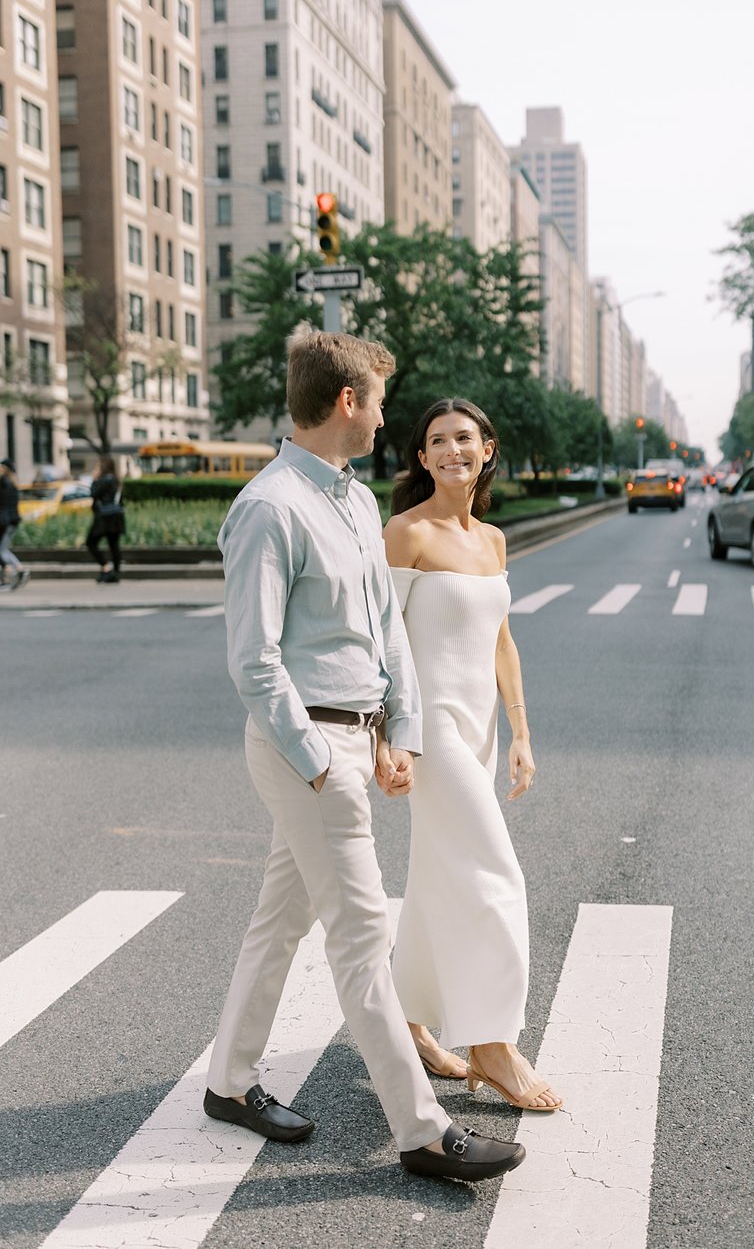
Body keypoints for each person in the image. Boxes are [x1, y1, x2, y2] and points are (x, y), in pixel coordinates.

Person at [203, 326, 526, 1184]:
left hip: (354, 736)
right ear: (348, 402)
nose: (387, 419)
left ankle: (230, 1082)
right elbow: (253, 660)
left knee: (281, 921)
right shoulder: (270, 507)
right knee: (359, 939)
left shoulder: (347, 498)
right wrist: (318, 760)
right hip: (302, 746)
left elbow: (385, 629)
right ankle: (423, 1133)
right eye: (380, 402)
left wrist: (397, 733)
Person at [383, 397, 563, 1113]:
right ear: (422, 459)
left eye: (465, 437)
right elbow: (382, 641)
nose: (452, 449)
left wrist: (521, 732)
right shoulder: (406, 532)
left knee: (435, 876)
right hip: (430, 734)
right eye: (437, 441)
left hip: (481, 728)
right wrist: (385, 737)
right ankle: (493, 1046)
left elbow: (501, 641)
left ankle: (408, 1020)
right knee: (495, 876)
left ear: (487, 448)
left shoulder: (492, 540)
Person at [87, 456, 125, 583]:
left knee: (91, 542)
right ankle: (114, 572)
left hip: (104, 518)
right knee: (114, 545)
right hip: (116, 516)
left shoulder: (105, 479)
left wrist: (94, 479)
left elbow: (93, 493)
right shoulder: (116, 479)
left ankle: (107, 568)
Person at [0, 458, 29, 590]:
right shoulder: (12, 483)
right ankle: (11, 573)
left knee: (1, 550)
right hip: (12, 520)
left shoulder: (4, 484)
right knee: (2, 549)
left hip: (8, 521)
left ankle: (18, 569)